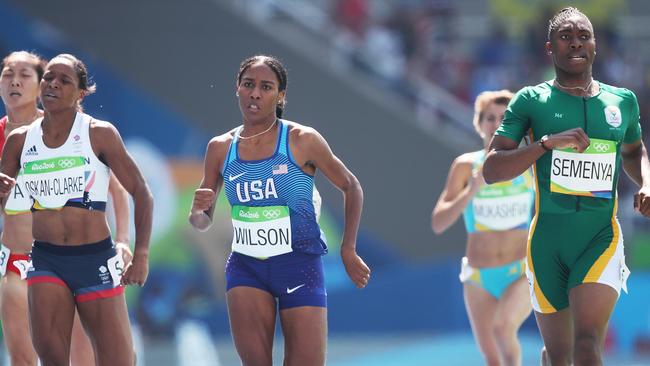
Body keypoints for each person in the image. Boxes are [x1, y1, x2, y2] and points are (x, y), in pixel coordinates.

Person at [483, 7, 650, 366]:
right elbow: (492, 170)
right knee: (559, 356)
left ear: (595, 45)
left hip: (600, 237)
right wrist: (545, 144)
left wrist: (647, 182)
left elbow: (636, 152)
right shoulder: (530, 101)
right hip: (547, 243)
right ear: (550, 48)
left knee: (587, 345)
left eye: (583, 35)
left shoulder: (623, 101)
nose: (576, 42)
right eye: (566, 36)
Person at [189, 54, 370, 366]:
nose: (255, 93)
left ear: (281, 95)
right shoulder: (220, 147)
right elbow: (201, 221)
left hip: (299, 263)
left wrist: (348, 249)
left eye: (266, 87)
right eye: (248, 85)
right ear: (237, 89)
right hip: (247, 267)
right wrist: (198, 213)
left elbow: (351, 186)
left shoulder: (302, 140)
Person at [0, 53, 152, 365]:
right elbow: (7, 203)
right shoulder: (18, 141)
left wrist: (137, 251)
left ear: (81, 92)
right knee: (46, 359)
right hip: (44, 259)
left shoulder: (98, 133)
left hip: (94, 258)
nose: (53, 84)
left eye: (64, 80)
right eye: (49, 78)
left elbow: (139, 191)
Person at [431, 90, 534, 366]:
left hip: (520, 270)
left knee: (503, 329)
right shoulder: (466, 166)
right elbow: (438, 222)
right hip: (478, 277)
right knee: (491, 357)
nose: (497, 123)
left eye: (504, 117)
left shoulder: (528, 163)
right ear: (479, 124)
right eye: (490, 118)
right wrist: (471, 191)